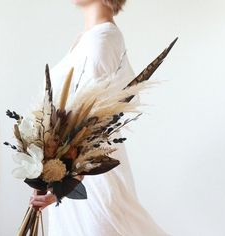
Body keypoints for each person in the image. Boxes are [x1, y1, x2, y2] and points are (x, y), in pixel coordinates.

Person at [30, 0, 170, 235]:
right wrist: (46, 173)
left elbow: (95, 125)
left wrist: (67, 183)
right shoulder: (86, 38)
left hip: (88, 178)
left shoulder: (102, 40)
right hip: (68, 176)